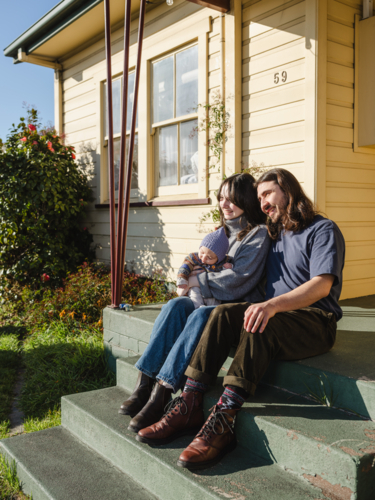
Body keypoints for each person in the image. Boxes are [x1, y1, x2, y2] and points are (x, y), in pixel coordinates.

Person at [136, 168, 345, 472]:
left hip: (315, 320)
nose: (262, 203)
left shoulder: (322, 229)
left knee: (261, 320)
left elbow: (322, 285)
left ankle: (223, 420)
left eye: (267, 194)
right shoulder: (272, 233)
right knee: (220, 314)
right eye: (258, 197)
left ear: (288, 190)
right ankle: (190, 404)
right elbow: (232, 246)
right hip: (276, 313)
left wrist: (271, 305)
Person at [118, 173, 270, 435]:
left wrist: (198, 280)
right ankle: (144, 384)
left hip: (235, 305)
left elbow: (240, 279)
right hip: (210, 298)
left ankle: (162, 394)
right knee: (175, 306)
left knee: (201, 316)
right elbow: (197, 261)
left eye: (231, 199)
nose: (224, 205)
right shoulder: (220, 233)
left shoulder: (258, 234)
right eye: (221, 198)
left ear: (246, 199)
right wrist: (189, 276)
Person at [177, 226, 233, 309]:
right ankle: (198, 309)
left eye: (209, 258)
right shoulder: (194, 257)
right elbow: (185, 267)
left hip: (210, 289)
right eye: (202, 252)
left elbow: (229, 269)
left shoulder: (223, 262)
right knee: (195, 296)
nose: (203, 258)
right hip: (195, 287)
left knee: (214, 300)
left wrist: (230, 266)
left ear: (219, 259)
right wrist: (182, 279)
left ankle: (209, 310)